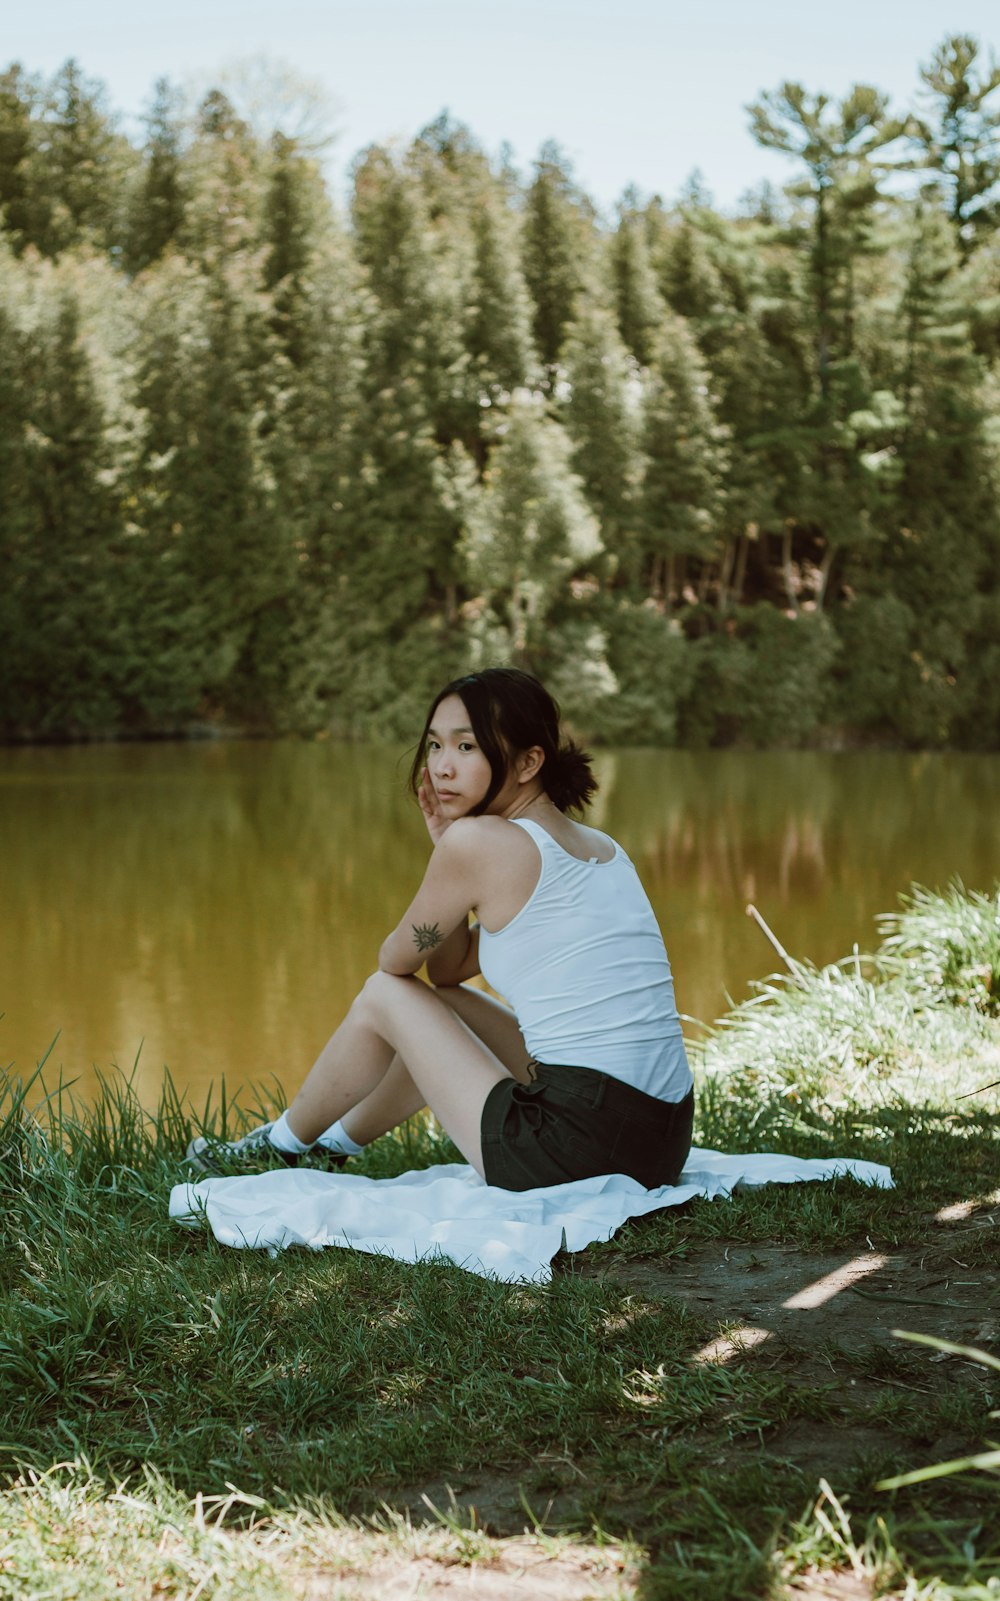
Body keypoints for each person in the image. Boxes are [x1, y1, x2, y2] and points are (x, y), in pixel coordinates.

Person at [187, 668, 694, 1190]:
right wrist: (447, 859)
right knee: (445, 1005)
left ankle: (278, 1147)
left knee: (384, 993)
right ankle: (333, 1147)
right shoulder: (601, 847)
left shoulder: (480, 843)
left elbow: (396, 964)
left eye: (466, 746)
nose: (441, 768)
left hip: (573, 1149)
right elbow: (448, 973)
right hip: (659, 1144)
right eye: (434, 745)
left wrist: (450, 854)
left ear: (528, 762)